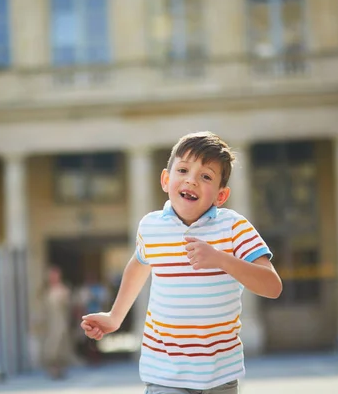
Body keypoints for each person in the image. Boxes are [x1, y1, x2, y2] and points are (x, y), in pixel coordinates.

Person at [81, 131, 283, 394]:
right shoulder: (151, 226)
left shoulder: (235, 227)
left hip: (220, 378)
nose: (192, 180)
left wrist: (221, 259)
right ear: (166, 179)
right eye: (184, 170)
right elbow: (139, 265)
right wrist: (115, 316)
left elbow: (273, 286)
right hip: (165, 374)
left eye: (206, 176)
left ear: (221, 196)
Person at [39, 266, 72, 379]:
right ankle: (52, 369)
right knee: (49, 348)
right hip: (49, 324)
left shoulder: (63, 290)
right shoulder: (46, 291)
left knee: (60, 346)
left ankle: (60, 369)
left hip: (60, 323)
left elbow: (68, 308)